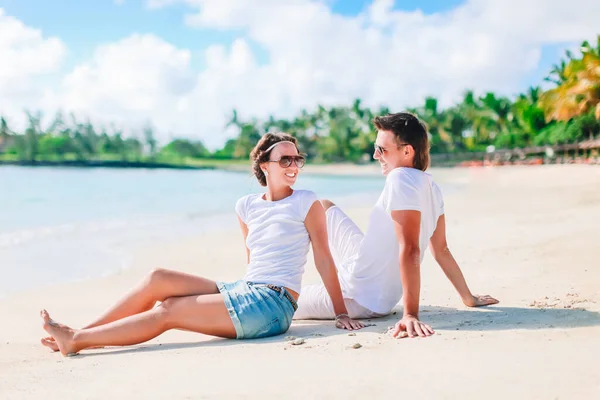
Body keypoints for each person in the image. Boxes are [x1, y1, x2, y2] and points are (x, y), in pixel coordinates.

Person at [40, 132, 364, 356]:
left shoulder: (306, 201)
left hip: (273, 305)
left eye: (297, 159)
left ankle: (78, 341)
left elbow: (323, 257)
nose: (293, 165)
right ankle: (82, 332)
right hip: (247, 288)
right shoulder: (246, 206)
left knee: (170, 311)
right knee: (157, 278)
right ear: (265, 165)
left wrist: (340, 312)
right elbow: (254, 262)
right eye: (285, 160)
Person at [293, 112, 499, 338]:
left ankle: (319, 277)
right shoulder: (433, 188)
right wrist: (468, 298)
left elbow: (411, 249)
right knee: (322, 207)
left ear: (407, 151)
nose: (375, 155)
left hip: (360, 296)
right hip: (363, 268)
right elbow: (441, 250)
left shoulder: (400, 178)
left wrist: (410, 315)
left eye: (381, 150)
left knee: (287, 300)